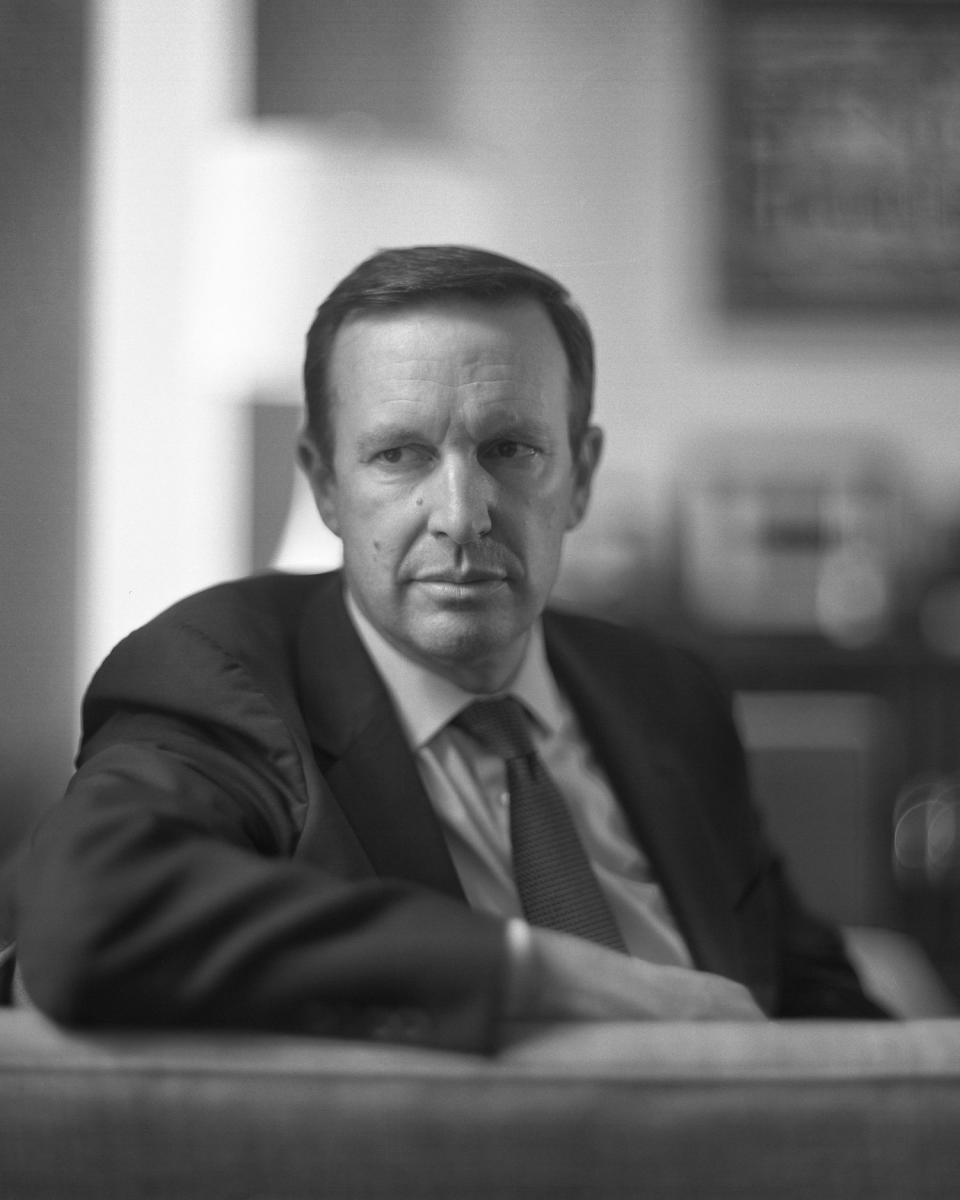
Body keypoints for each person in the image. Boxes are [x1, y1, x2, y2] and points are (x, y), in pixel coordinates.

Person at [12, 245, 887, 1051]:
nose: (463, 515)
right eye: (399, 455)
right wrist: (543, 974)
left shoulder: (666, 691)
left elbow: (815, 997)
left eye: (511, 450)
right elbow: (88, 917)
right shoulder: (219, 674)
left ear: (579, 476)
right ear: (324, 482)